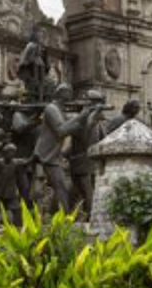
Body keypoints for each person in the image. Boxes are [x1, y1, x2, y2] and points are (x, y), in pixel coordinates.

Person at [32, 84, 102, 212]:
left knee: (62, 187)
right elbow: (61, 131)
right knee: (60, 187)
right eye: (68, 92)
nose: (71, 95)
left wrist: (85, 117)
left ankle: (60, 216)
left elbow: (73, 127)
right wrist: (83, 115)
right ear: (61, 93)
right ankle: (64, 219)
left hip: (55, 155)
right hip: (47, 154)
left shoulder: (59, 109)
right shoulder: (51, 108)